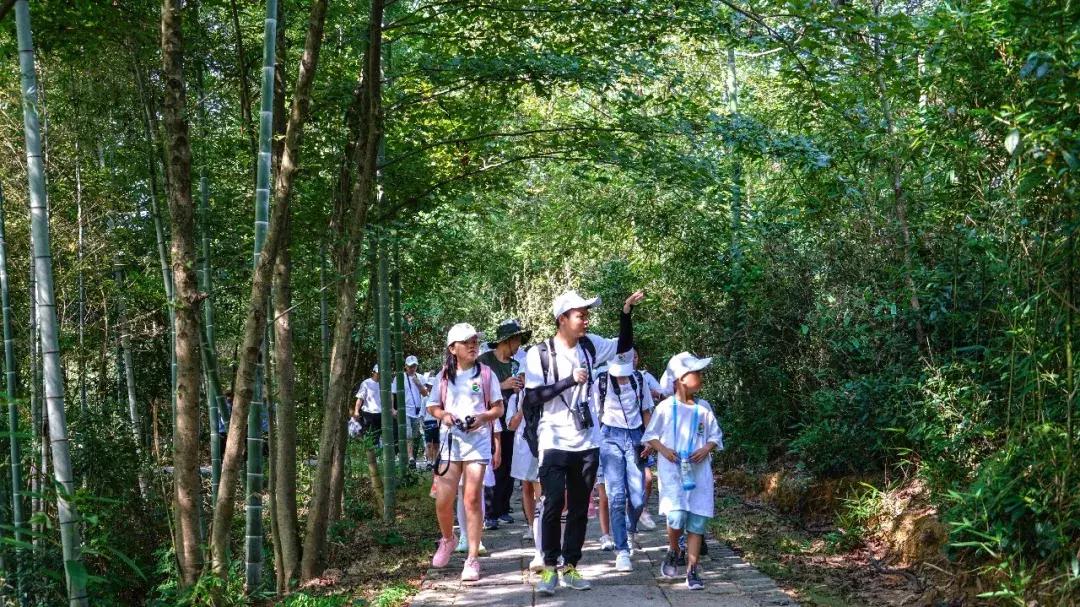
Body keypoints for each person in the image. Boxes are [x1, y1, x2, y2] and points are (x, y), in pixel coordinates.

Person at [522, 288, 645, 596]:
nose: (586, 320)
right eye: (581, 315)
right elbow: (533, 397)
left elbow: (624, 345)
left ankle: (571, 566)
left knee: (579, 507)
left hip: (587, 441)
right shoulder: (540, 353)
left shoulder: (590, 345)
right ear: (562, 319)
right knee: (553, 503)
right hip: (552, 439)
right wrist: (568, 381)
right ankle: (549, 568)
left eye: (587, 315)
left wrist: (626, 313)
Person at [427, 323, 504, 582]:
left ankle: (472, 558)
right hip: (451, 443)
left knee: (471, 498)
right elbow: (432, 407)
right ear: (453, 348)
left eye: (475, 341)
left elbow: (498, 408)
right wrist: (445, 415)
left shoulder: (486, 374)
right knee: (443, 500)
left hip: (477, 443)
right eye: (466, 342)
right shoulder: (444, 376)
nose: (473, 345)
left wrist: (482, 418)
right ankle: (448, 539)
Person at [643, 352, 724, 591]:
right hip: (673, 471)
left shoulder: (703, 408)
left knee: (697, 521)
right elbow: (651, 435)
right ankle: (674, 548)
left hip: (699, 472)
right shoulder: (666, 407)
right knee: (676, 516)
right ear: (681, 378)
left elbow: (715, 435)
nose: (701, 377)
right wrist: (664, 450)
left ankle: (692, 570)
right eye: (696, 373)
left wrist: (706, 448)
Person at [593, 349, 654, 571]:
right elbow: (594, 415)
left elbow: (646, 411)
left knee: (637, 498)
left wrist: (649, 438)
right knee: (616, 496)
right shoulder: (601, 382)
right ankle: (622, 550)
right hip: (609, 437)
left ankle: (630, 529)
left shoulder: (639, 380)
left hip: (636, 437)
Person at [479, 319, 532, 529]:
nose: (519, 346)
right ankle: (489, 512)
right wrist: (502, 385)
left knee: (509, 464)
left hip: (511, 420)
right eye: (517, 341)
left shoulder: (515, 365)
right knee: (494, 463)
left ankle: (503, 508)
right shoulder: (484, 362)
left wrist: (519, 387)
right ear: (506, 341)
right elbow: (477, 389)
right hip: (490, 420)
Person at [392, 355, 430, 468]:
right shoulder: (400, 377)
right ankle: (411, 458)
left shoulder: (421, 377)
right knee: (408, 435)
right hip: (405, 411)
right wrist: (392, 409)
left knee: (416, 435)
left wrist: (418, 383)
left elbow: (425, 394)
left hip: (418, 412)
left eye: (414, 366)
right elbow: (392, 394)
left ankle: (412, 458)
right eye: (410, 366)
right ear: (405, 366)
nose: (412, 368)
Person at [353, 365, 384, 444]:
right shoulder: (366, 383)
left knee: (378, 435)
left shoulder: (384, 383)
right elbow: (360, 398)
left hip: (380, 413)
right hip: (368, 413)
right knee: (369, 435)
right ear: (373, 372)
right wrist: (356, 411)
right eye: (377, 373)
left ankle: (376, 450)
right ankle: (369, 450)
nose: (379, 375)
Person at [421, 373, 440, 469]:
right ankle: (429, 461)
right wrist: (422, 423)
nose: (429, 388)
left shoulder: (439, 400)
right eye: (428, 386)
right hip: (428, 422)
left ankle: (435, 461)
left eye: (431, 386)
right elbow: (422, 413)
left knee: (436, 444)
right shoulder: (425, 399)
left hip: (436, 422)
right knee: (428, 444)